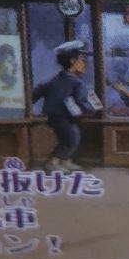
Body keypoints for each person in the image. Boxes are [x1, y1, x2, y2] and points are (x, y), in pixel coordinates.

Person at [32, 40, 95, 171]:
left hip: (54, 116)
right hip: (65, 116)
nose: (85, 64)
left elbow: (38, 92)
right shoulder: (77, 82)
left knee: (66, 137)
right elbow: (81, 101)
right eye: (83, 60)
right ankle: (52, 162)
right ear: (72, 61)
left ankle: (66, 162)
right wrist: (91, 109)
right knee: (72, 138)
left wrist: (30, 102)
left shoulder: (56, 79)